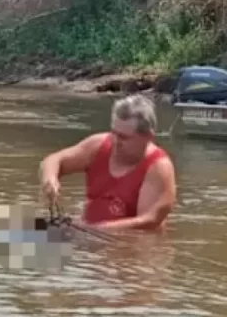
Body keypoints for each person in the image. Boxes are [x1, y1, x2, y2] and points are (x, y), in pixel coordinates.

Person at [39, 94, 176, 231]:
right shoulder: (98, 146)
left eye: (123, 137)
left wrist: (92, 230)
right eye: (114, 133)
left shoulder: (158, 168)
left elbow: (149, 222)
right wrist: (50, 178)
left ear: (148, 137)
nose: (115, 141)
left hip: (123, 243)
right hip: (88, 232)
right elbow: (54, 160)